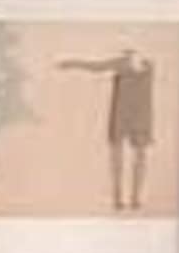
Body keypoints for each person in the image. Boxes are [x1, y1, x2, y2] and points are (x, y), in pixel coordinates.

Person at [55, 42, 160, 210]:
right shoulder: (140, 64)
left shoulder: (135, 64)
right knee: (128, 156)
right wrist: (72, 63)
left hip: (134, 114)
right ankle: (124, 198)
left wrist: (71, 63)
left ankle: (131, 198)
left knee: (133, 156)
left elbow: (96, 67)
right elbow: (96, 67)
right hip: (132, 113)